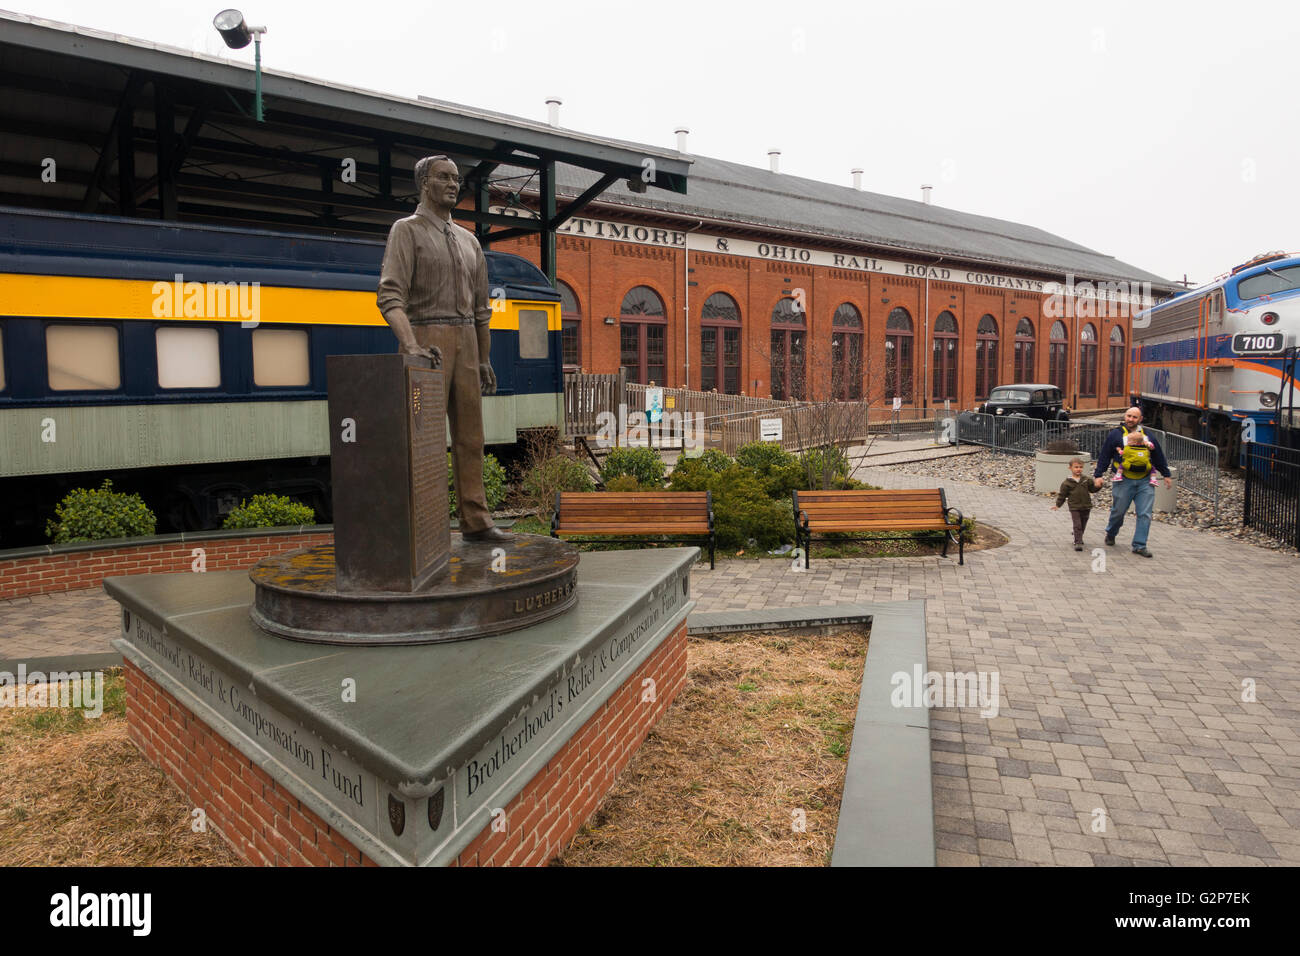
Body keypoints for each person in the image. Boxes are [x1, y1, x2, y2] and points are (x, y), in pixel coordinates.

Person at [376, 155, 509, 543]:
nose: (454, 184)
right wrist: (411, 344)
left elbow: (483, 309)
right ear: (424, 183)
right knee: (425, 440)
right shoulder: (407, 231)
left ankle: (476, 520)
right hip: (426, 340)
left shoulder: (470, 241)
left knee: (471, 437)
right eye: (444, 177)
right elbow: (390, 296)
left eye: (457, 178)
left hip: (467, 341)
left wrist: (484, 357)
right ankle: (426, 527)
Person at [1094, 406, 1173, 557]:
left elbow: (1158, 456)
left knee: (1145, 514)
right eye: (1129, 416)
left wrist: (1166, 474)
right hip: (1123, 480)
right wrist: (1099, 474)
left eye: (1134, 417)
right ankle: (1111, 532)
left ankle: (1139, 545)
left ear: (1140, 419)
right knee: (1118, 511)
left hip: (1145, 481)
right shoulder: (1115, 435)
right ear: (1125, 417)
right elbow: (1105, 455)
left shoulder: (1147, 436)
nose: (1131, 419)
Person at [1051, 458, 1103, 551]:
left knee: (1083, 523)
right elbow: (1062, 495)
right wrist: (1058, 505)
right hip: (1074, 507)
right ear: (1070, 468)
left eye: (1080, 467)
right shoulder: (1066, 483)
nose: (1078, 469)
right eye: (1076, 467)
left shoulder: (1087, 480)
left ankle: (1078, 535)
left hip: (1086, 506)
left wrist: (1099, 486)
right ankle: (1078, 542)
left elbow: (1092, 489)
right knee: (1077, 524)